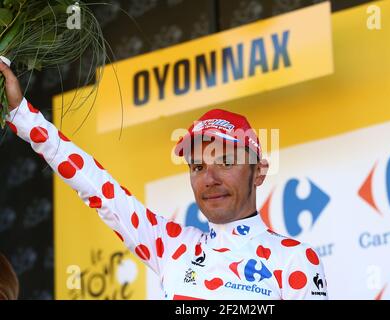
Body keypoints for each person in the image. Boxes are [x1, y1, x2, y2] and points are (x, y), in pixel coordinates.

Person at [0, 60, 328, 300]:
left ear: (259, 171)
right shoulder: (173, 246)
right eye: (197, 167)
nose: (210, 178)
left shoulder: (293, 258)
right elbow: (97, 186)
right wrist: (21, 114)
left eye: (225, 162)